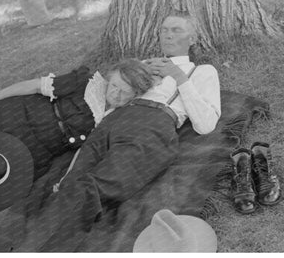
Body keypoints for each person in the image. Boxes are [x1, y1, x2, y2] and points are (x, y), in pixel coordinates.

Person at [12, 13, 222, 251]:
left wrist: (178, 76)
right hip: (112, 121)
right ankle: (30, 244)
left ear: (192, 39)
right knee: (67, 184)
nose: (168, 34)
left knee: (93, 187)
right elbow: (113, 94)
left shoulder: (202, 72)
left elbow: (205, 125)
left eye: (176, 30)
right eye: (164, 29)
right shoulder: (142, 64)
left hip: (152, 124)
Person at [0, 59, 155, 216]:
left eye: (124, 91)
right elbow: (35, 86)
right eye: (114, 85)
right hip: (19, 117)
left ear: (135, 95)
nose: (115, 93)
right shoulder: (85, 83)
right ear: (109, 78)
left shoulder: (115, 118)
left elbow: (91, 152)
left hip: (37, 150)